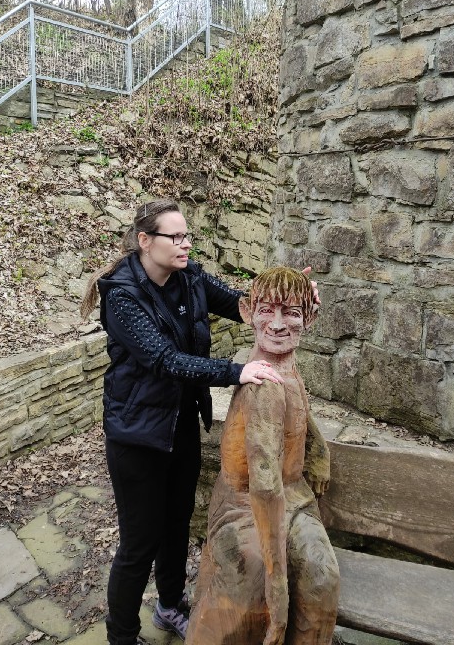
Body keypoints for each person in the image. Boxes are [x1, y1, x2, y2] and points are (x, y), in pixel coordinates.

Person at [81, 200, 317, 645]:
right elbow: (165, 360)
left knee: (176, 524)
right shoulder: (123, 295)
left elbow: (239, 302)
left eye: (187, 235)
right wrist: (236, 371)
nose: (185, 244)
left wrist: (289, 294)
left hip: (181, 426)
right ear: (145, 241)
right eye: (175, 237)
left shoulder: (189, 276)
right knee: (139, 544)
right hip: (137, 437)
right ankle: (121, 636)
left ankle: (169, 607)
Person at [185, 266, 340, 645]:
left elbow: (297, 405)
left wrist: (317, 450)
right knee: (250, 580)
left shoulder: (282, 362)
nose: (278, 324)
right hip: (247, 506)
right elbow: (265, 486)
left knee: (321, 576)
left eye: (292, 313)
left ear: (310, 318)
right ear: (247, 313)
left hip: (294, 499)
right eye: (266, 311)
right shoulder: (263, 385)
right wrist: (278, 586)